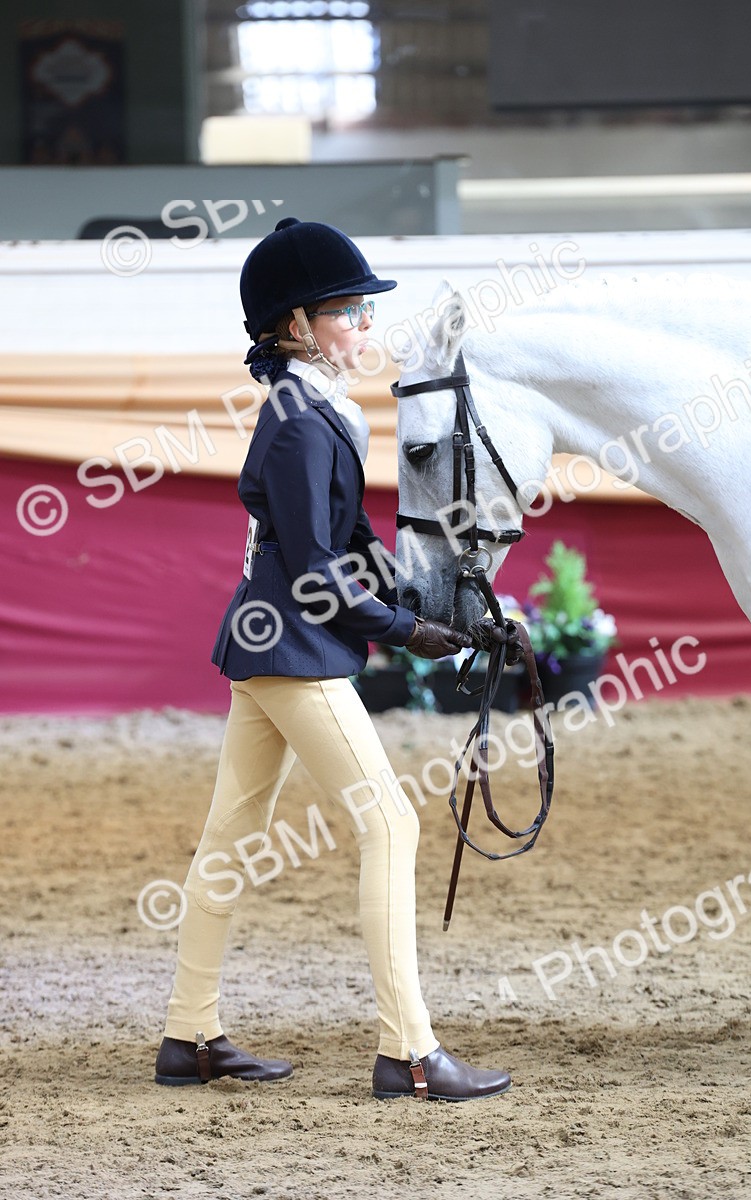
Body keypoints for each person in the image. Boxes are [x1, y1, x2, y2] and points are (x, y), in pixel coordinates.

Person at [154, 217, 512, 1102]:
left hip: (274, 640)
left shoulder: (315, 410)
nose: (363, 324)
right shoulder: (300, 424)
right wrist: (405, 632)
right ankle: (411, 1053)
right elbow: (318, 571)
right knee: (390, 824)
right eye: (347, 311)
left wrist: (443, 611)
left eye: (362, 309)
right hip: (296, 645)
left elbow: (349, 540)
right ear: (295, 326)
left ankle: (189, 1035)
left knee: (231, 838)